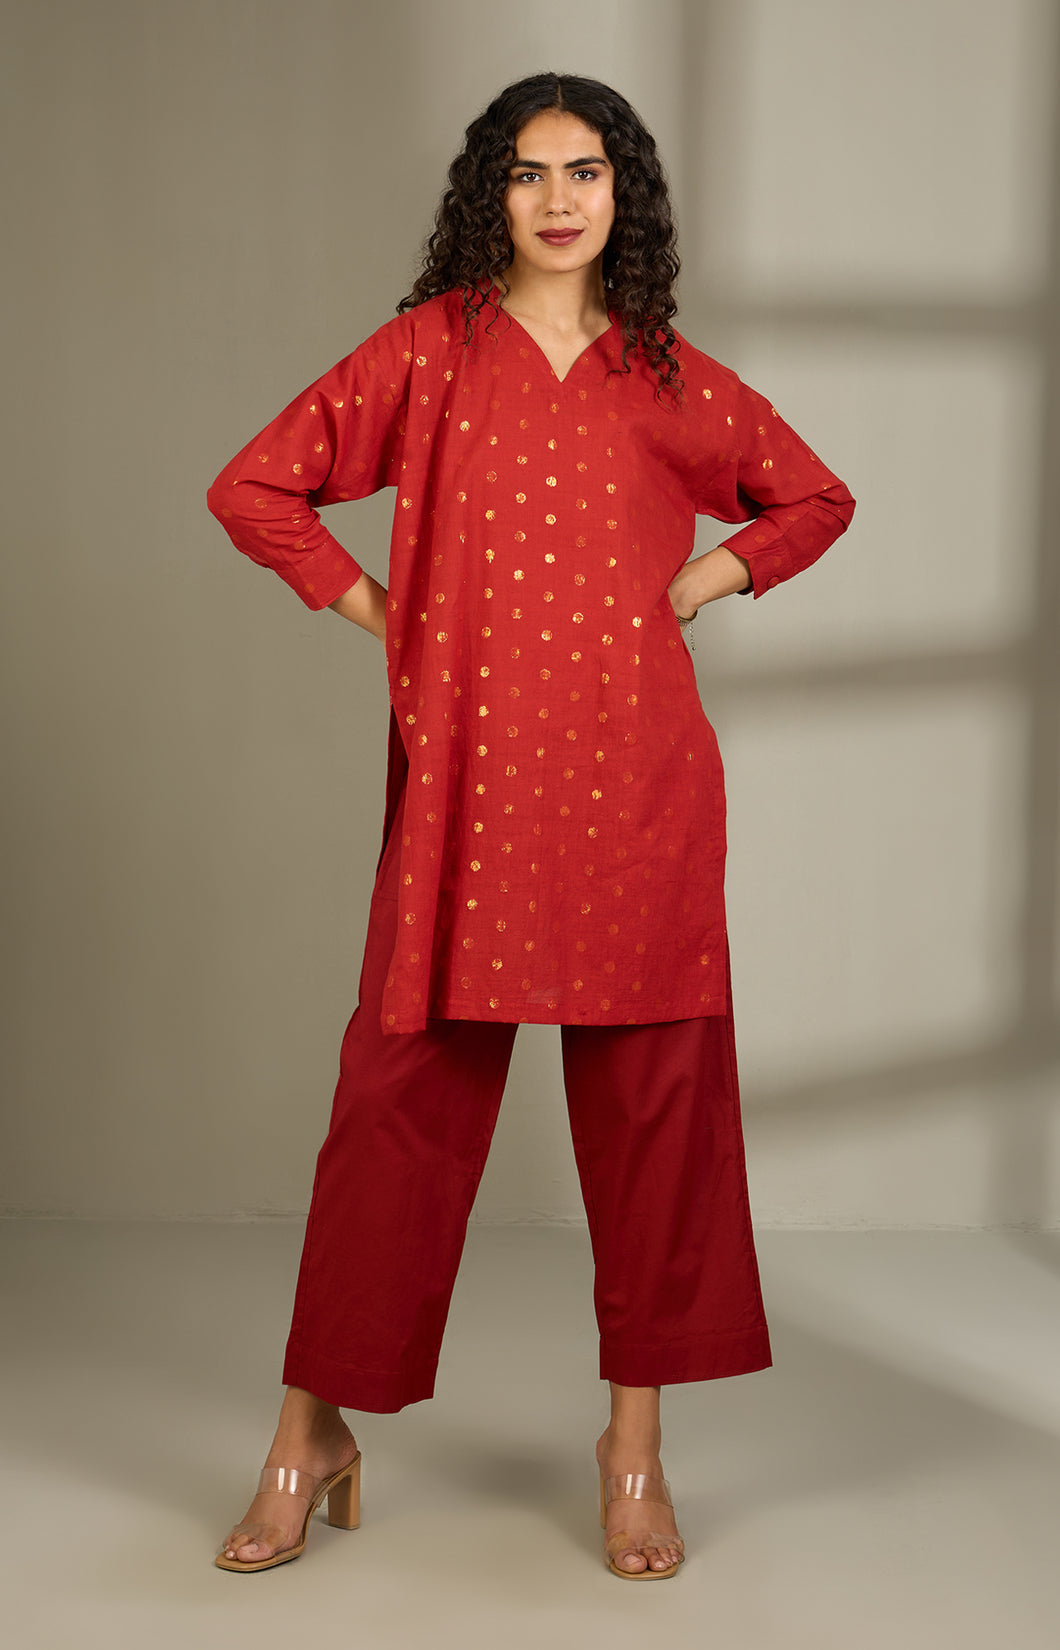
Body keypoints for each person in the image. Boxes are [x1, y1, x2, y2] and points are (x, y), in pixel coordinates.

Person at [205, 71, 855, 1580]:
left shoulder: (669, 374)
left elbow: (813, 499)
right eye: (525, 172)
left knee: (654, 1121)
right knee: (391, 1117)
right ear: (487, 196)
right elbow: (256, 487)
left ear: (626, 194)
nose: (558, 201)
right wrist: (386, 613)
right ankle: (309, 1432)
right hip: (468, 801)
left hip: (639, 798)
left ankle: (634, 1449)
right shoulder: (426, 354)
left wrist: (708, 578)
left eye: (586, 172)